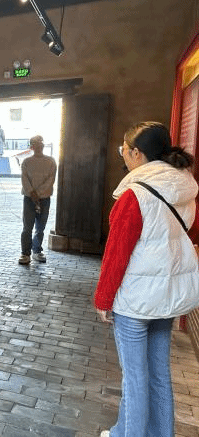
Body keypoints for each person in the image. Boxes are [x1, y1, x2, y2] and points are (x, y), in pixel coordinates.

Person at [94, 122, 199, 437]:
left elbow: (116, 254)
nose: (123, 156)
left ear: (136, 153)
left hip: (136, 301)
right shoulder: (184, 188)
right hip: (166, 298)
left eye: (124, 150)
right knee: (158, 375)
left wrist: (103, 298)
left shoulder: (135, 194)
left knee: (135, 379)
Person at [18, 135, 57, 265]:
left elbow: (51, 180)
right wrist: (32, 193)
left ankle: (37, 250)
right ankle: (25, 253)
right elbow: (24, 179)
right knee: (27, 227)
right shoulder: (26, 162)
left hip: (44, 198)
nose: (39, 145)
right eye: (36, 143)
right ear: (32, 146)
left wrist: (38, 194)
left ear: (43, 145)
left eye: (41, 143)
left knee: (40, 227)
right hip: (29, 199)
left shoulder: (51, 161)